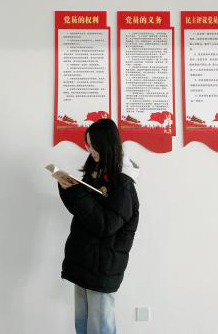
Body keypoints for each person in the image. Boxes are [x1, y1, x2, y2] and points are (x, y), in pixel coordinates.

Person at [57, 118, 140, 334]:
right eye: (88, 145)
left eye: (93, 146)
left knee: (100, 328)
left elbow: (104, 225)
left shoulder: (123, 185)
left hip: (103, 269)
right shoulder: (95, 173)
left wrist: (78, 194)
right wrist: (67, 189)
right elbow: (82, 213)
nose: (90, 150)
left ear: (106, 145)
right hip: (84, 262)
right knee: (82, 325)